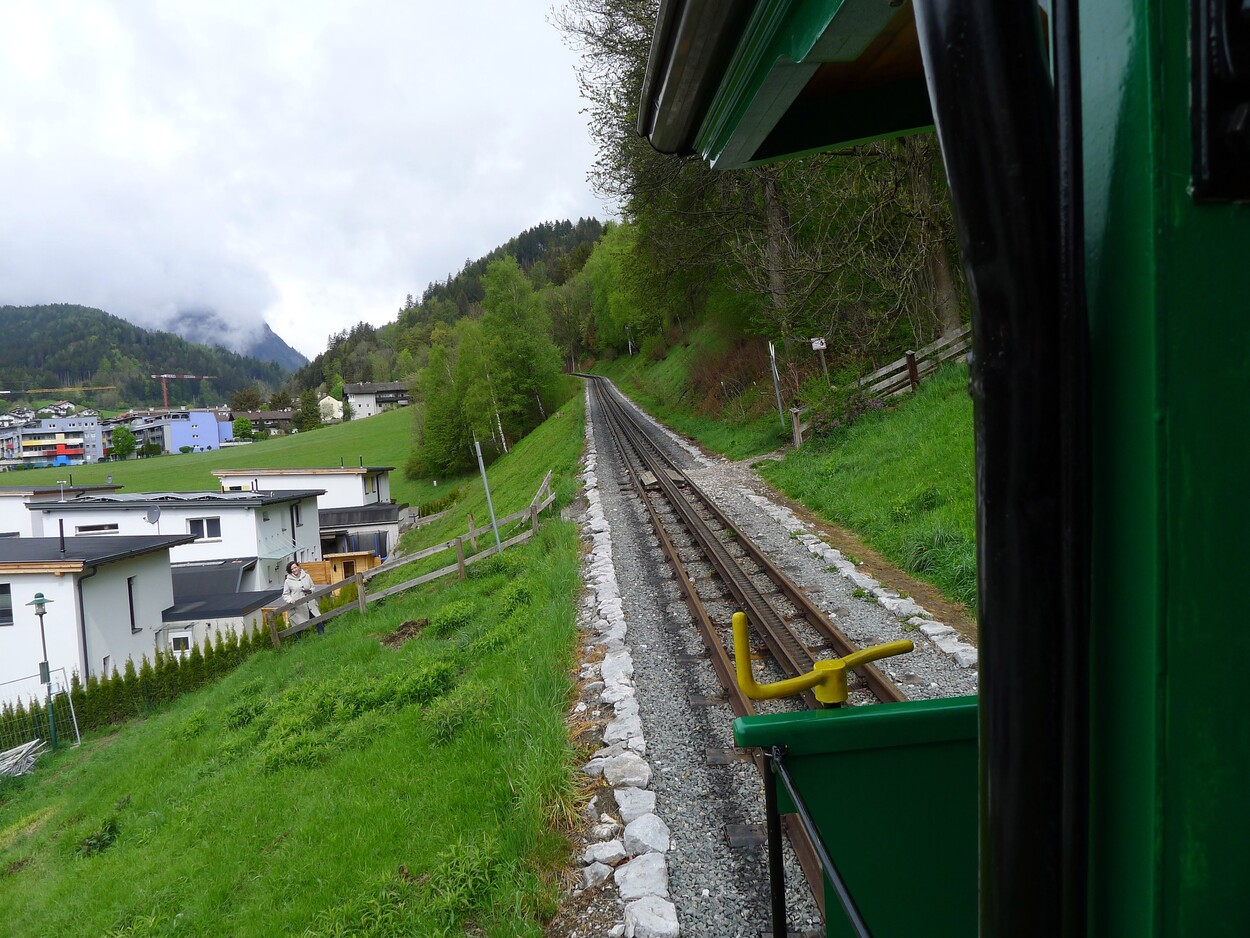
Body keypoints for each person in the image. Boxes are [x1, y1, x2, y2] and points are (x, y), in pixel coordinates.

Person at [282, 560, 323, 634]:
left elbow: (313, 587)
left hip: (310, 604)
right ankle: (300, 643)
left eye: (295, 567)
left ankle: (322, 636)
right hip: (299, 608)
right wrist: (290, 599)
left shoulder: (307, 576)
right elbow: (285, 594)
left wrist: (310, 591)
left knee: (318, 620)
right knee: (298, 626)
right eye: (292, 569)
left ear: (298, 567)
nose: (294, 570)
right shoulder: (288, 581)